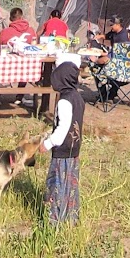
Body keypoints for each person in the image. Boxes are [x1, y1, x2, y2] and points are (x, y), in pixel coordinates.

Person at [42, 51, 85, 224]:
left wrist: (48, 143)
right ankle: (71, 217)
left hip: (62, 150)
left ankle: (55, 220)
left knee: (58, 185)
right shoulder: (77, 97)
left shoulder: (64, 101)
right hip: (74, 149)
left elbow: (62, 128)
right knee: (71, 184)